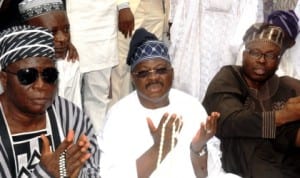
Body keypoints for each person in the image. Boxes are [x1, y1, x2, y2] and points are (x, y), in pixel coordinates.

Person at [99, 28, 240, 178]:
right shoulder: (119, 115)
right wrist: (159, 148)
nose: (153, 78)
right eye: (144, 73)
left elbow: (205, 175)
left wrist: (198, 147)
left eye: (160, 70)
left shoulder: (190, 106)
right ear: (133, 79)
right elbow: (112, 174)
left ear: (171, 73)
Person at [0, 25, 100, 177]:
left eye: (49, 75)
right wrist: (45, 174)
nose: (41, 85)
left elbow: (94, 168)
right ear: (4, 79)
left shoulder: (68, 114)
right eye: (27, 76)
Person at [202, 22, 300, 178]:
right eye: (255, 53)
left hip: (281, 162)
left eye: (270, 55)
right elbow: (230, 121)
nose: (262, 60)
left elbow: (285, 134)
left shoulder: (284, 86)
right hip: (241, 158)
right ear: (244, 54)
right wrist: (282, 115)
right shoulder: (229, 76)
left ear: (278, 60)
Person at [18, 0, 82, 108]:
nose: (63, 39)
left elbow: (74, 108)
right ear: (30, 33)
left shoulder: (69, 62)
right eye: (53, 32)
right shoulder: (15, 69)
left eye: (66, 29)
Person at [110, 0, 169, 107]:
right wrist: (122, 5)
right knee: (122, 69)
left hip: (157, 8)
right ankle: (119, 115)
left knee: (154, 63)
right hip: (130, 7)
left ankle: (149, 115)